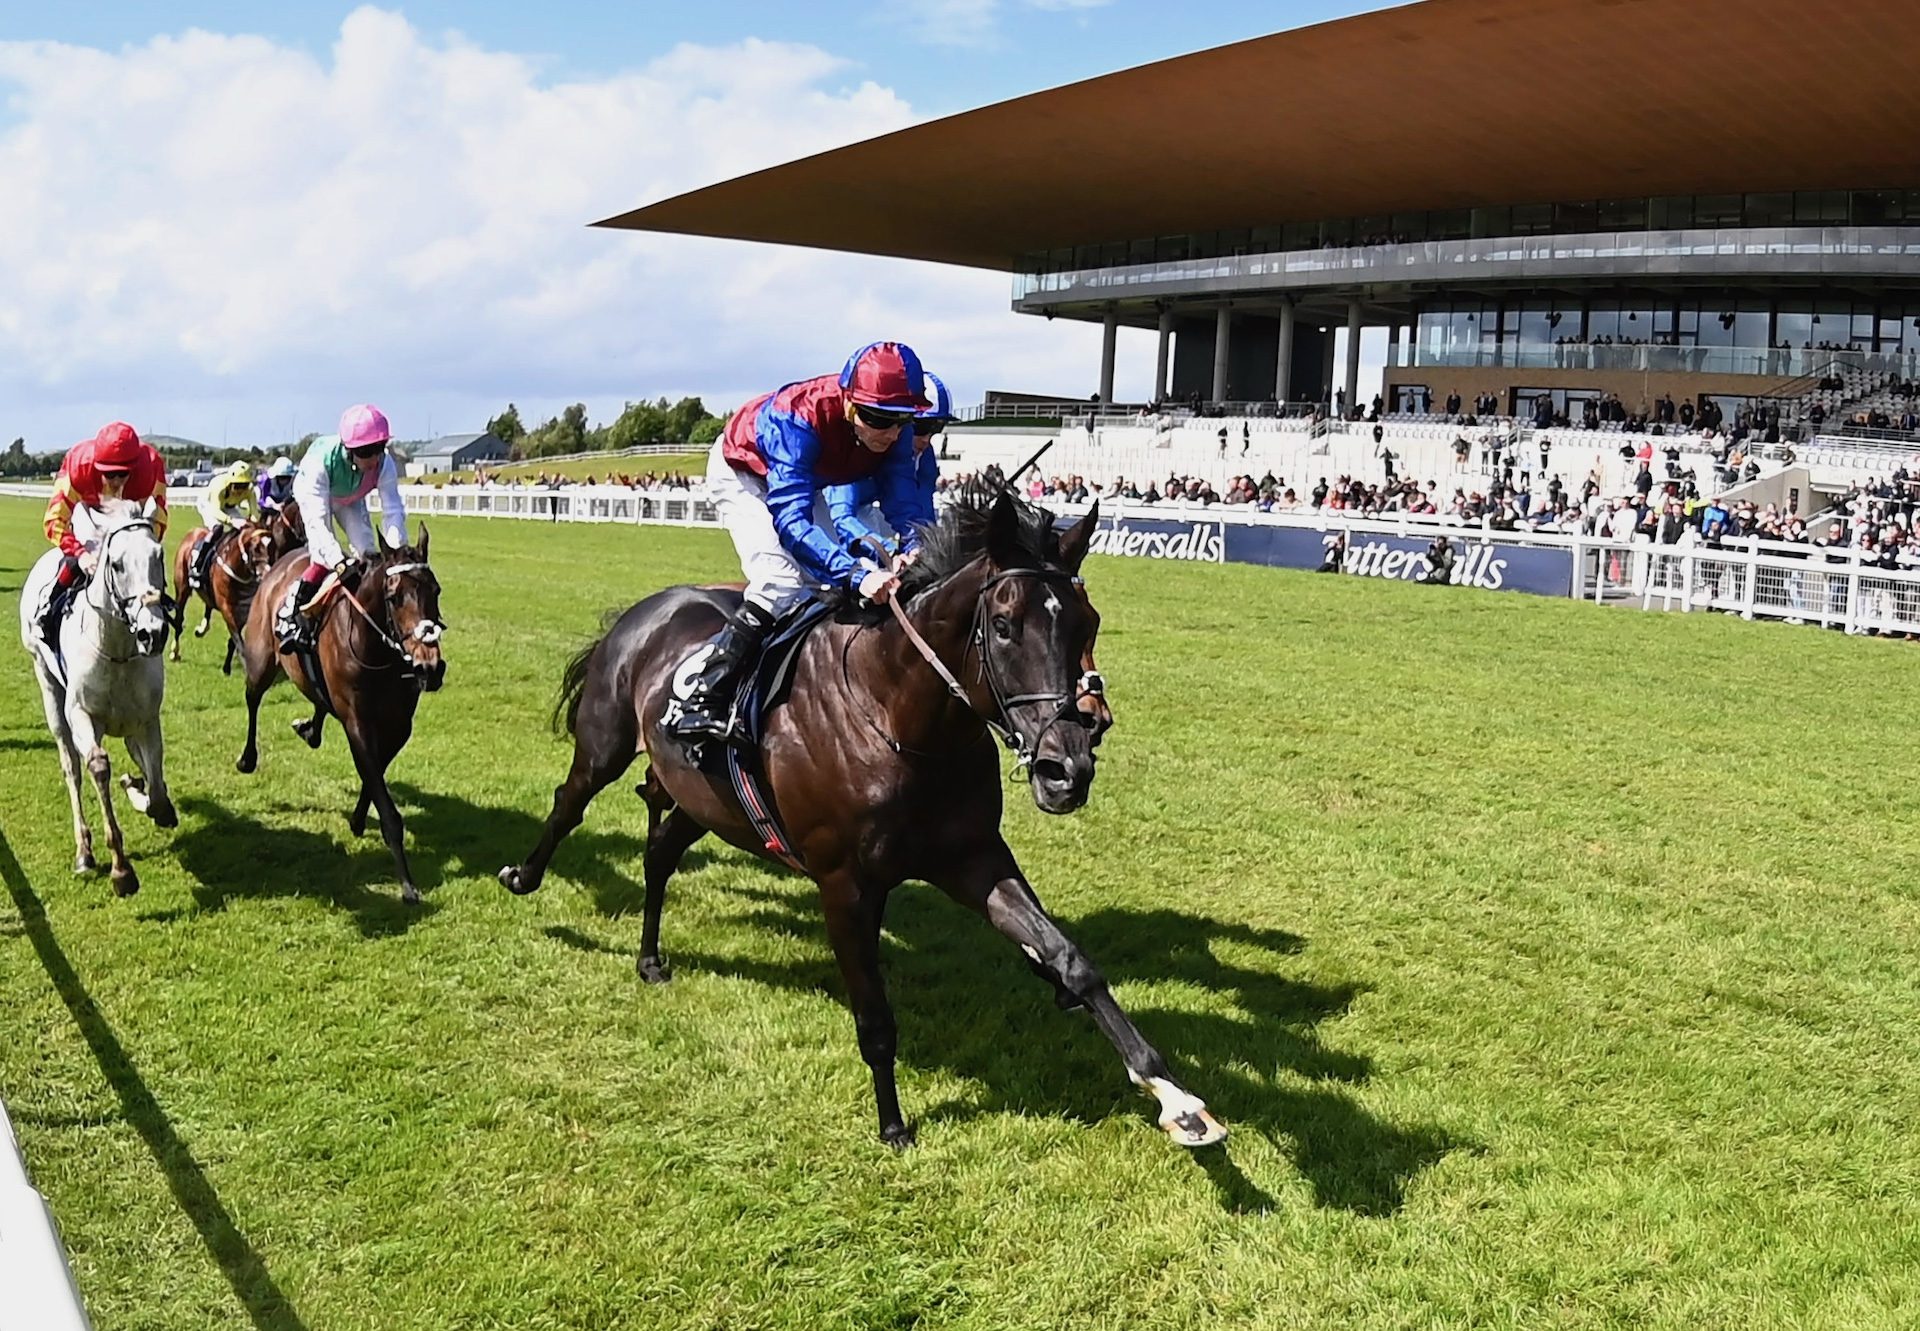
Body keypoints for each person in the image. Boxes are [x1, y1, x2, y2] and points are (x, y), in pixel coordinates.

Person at [665, 342, 931, 746]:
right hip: (745, 471)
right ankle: (704, 693)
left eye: (903, 420)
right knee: (780, 581)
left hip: (807, 483)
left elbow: (902, 499)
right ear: (849, 402)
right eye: (879, 419)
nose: (892, 433)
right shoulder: (798, 417)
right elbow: (791, 523)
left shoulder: (893, 428)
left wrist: (916, 544)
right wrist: (857, 574)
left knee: (826, 586)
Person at [275, 404, 408, 652]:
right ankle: (289, 613)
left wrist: (397, 552)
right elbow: (317, 522)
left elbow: (393, 509)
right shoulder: (320, 463)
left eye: (379, 449)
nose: (374, 459)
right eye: (367, 451)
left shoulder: (384, 463)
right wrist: (338, 560)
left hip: (350, 497)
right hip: (314, 492)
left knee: (369, 553)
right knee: (322, 557)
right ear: (349, 450)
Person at [38, 422, 170, 649]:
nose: (116, 481)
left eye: (123, 474)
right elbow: (54, 521)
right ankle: (49, 607)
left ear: (135, 467)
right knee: (87, 556)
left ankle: (157, 609)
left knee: (145, 557)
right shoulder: (78, 465)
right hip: (89, 512)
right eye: (109, 474)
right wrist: (81, 555)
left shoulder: (151, 467)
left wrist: (139, 551)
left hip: (130, 515)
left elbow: (158, 520)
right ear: (97, 467)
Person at [824, 371, 948, 562]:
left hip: (862, 508)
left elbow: (923, 512)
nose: (926, 439)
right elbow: (842, 517)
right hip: (824, 504)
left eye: (936, 428)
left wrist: (925, 548)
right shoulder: (861, 443)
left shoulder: (925, 456)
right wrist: (890, 551)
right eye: (921, 427)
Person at [190, 460, 259, 589]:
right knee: (218, 529)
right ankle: (197, 564)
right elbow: (215, 511)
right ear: (230, 482)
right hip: (208, 504)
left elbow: (254, 513)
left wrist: (254, 525)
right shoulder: (219, 486)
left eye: (244, 486)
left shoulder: (250, 490)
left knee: (245, 530)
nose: (240, 490)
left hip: (229, 506)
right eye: (237, 486)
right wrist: (232, 521)